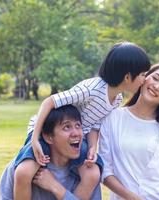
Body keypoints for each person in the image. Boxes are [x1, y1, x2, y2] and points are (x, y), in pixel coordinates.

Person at [13, 41, 151, 200]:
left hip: (76, 138)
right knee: (24, 172)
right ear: (127, 77)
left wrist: (92, 147)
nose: (145, 79)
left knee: (92, 174)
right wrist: (36, 138)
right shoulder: (92, 89)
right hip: (47, 131)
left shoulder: (117, 98)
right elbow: (49, 102)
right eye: (142, 74)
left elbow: (95, 125)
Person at [99, 62, 159, 200]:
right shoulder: (113, 118)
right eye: (155, 78)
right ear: (144, 78)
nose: (157, 86)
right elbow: (105, 170)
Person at [0, 105, 102, 200]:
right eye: (66, 127)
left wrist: (56, 188)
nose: (76, 133)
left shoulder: (87, 171)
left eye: (78, 125)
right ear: (49, 137)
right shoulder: (20, 168)